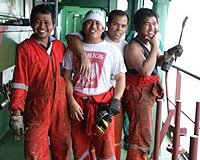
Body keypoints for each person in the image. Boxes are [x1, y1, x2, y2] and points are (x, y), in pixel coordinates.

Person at [9, 4, 71, 160]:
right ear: (31, 23)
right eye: (37, 21)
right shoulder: (25, 48)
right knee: (34, 151)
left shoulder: (59, 46)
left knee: (63, 147)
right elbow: (20, 82)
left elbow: (67, 75)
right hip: (37, 108)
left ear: (54, 25)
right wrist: (17, 112)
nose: (42, 26)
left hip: (61, 108)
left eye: (46, 22)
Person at [63, 10, 126, 160]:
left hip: (102, 106)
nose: (93, 27)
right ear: (83, 26)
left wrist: (116, 100)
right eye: (89, 22)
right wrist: (71, 101)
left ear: (103, 27)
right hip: (78, 106)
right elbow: (66, 78)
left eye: (98, 23)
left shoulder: (112, 50)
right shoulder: (72, 50)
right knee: (80, 147)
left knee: (105, 148)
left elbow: (121, 78)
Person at [123, 8, 183, 160]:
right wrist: (156, 44)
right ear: (138, 27)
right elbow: (146, 70)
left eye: (155, 24)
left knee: (144, 132)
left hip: (146, 94)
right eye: (147, 24)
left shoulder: (148, 44)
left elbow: (159, 59)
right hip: (138, 94)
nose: (152, 28)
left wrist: (172, 52)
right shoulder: (133, 47)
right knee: (140, 135)